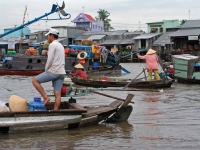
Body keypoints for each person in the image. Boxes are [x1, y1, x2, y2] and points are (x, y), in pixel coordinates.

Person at [32, 28, 66, 110]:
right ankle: (55, 112)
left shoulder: (52, 45)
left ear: (51, 36)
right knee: (57, 93)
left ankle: (45, 97)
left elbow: (50, 59)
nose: (48, 38)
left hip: (54, 71)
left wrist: (46, 70)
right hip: (62, 72)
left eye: (48, 36)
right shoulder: (61, 45)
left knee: (35, 81)